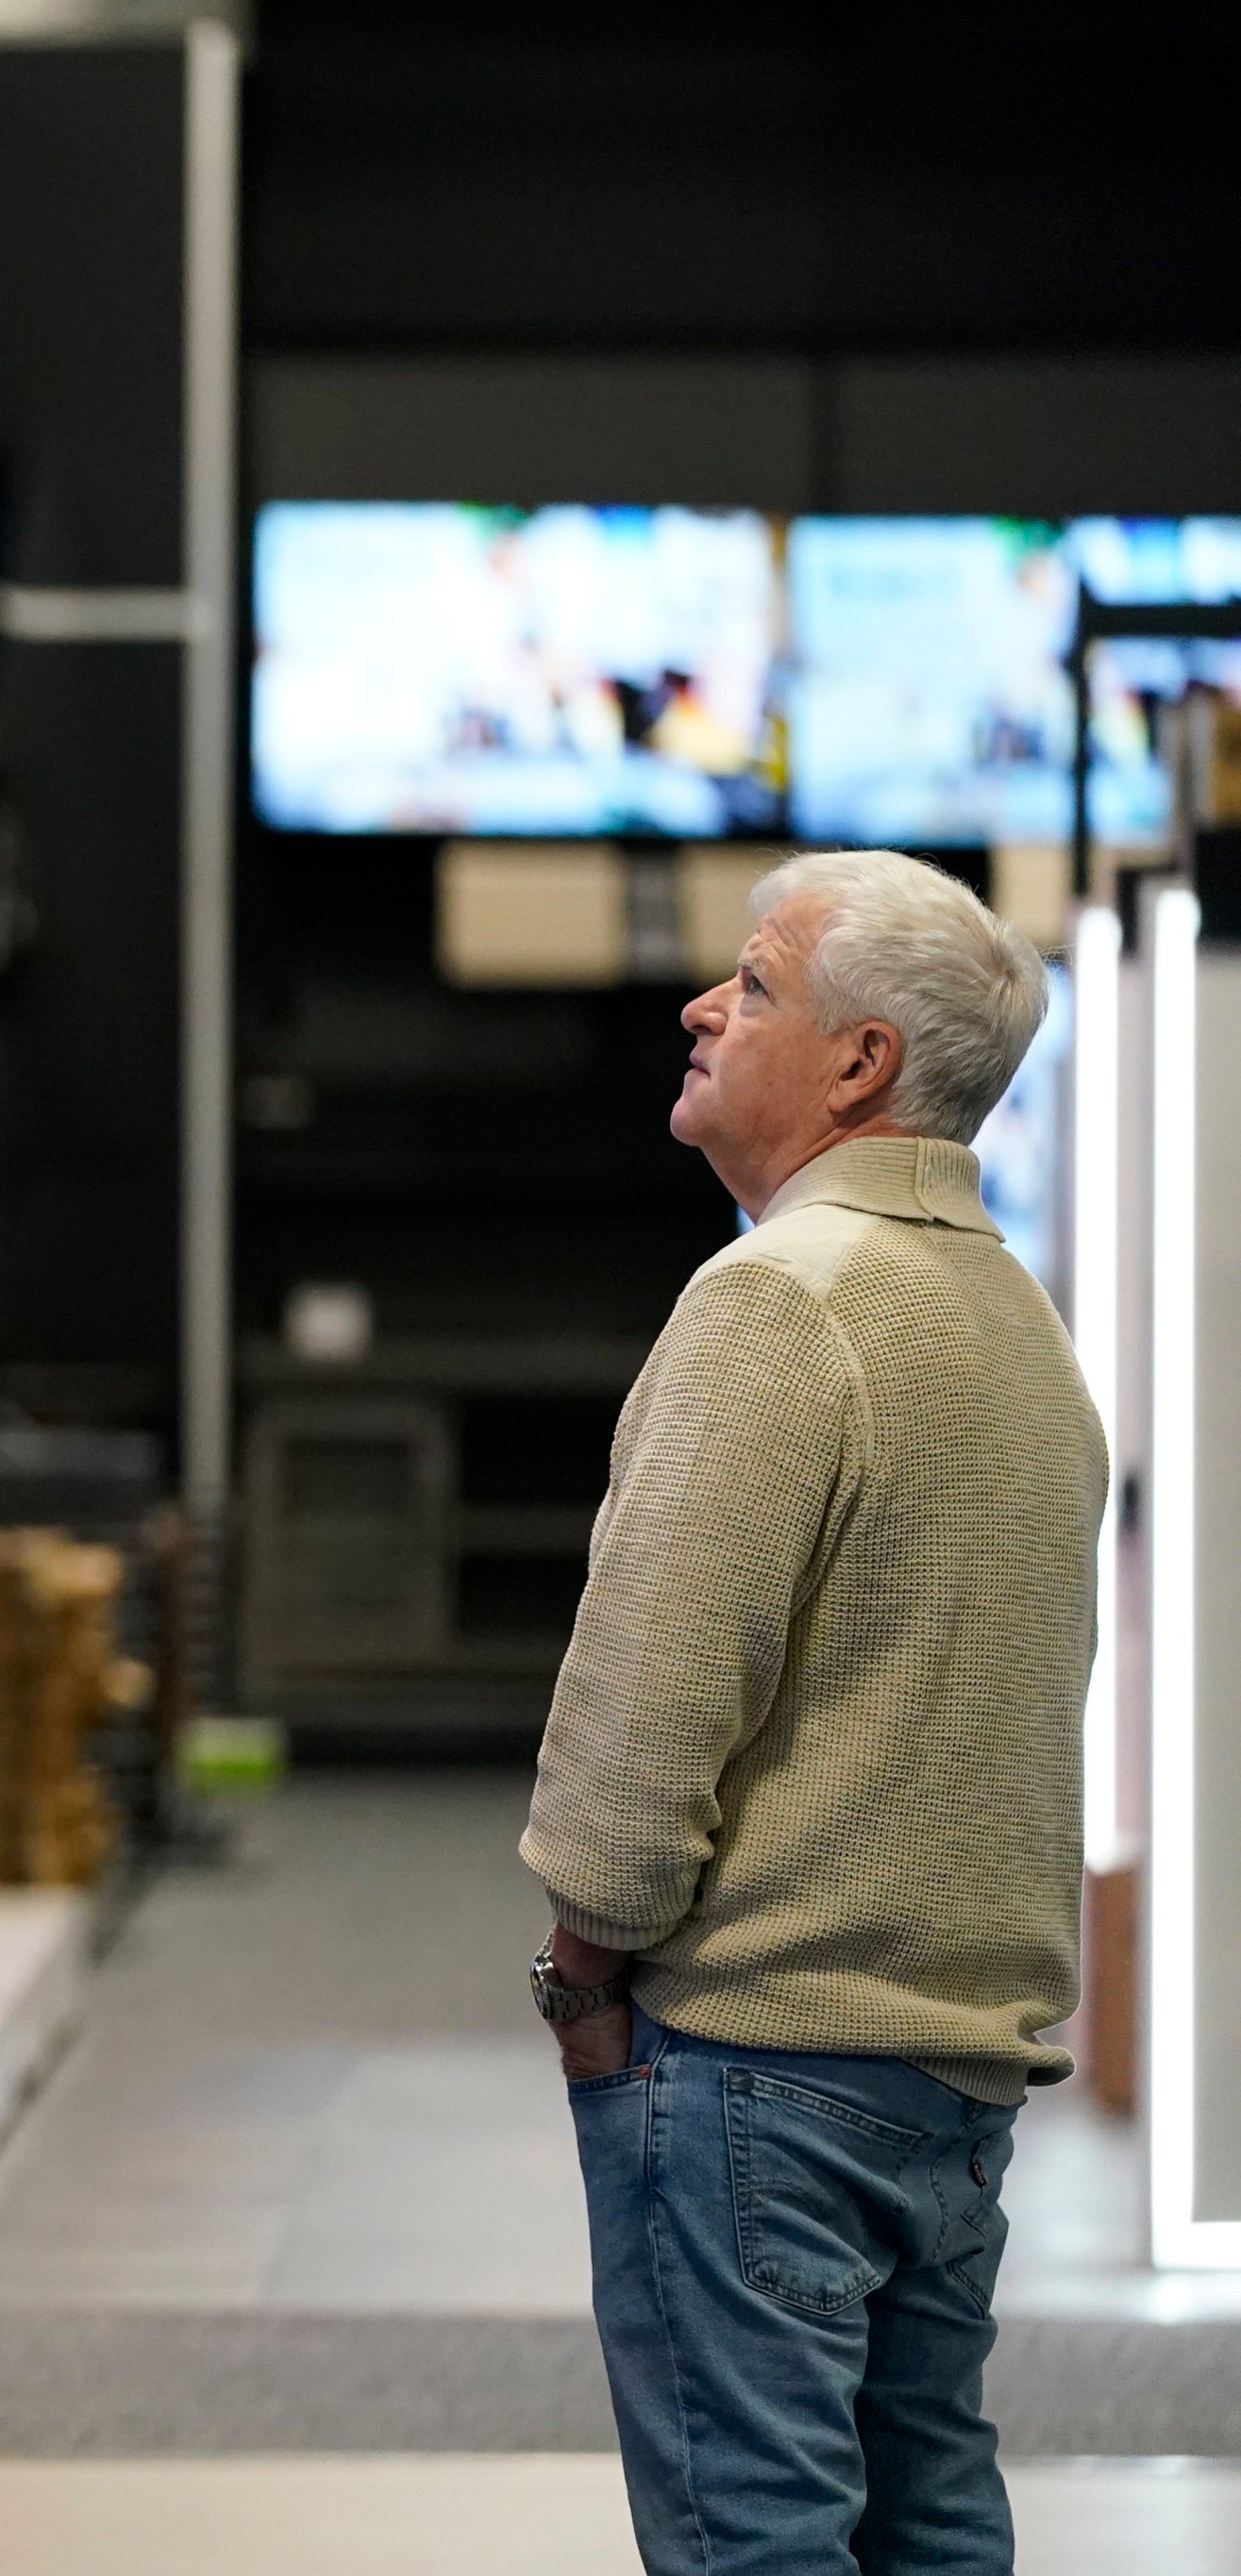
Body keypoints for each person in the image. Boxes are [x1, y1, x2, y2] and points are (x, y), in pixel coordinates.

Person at [522, 848, 1101, 2576]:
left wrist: (585, 1973)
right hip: (952, 2072)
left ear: (859, 1065)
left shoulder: (778, 1299)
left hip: (756, 2066)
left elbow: (649, 1694)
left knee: (752, 2538)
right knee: (932, 2520)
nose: (706, 1005)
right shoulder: (1020, 1326)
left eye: (756, 984)